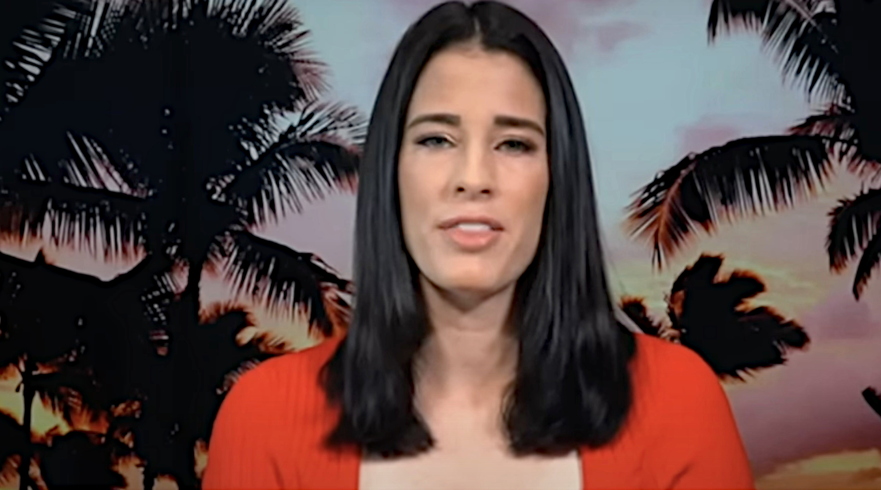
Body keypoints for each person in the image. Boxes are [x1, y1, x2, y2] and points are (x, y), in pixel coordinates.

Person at [202, 1, 755, 489]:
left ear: (557, 177)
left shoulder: (678, 403)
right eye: (436, 139)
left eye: (513, 143)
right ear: (390, 173)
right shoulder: (264, 418)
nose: (473, 177)